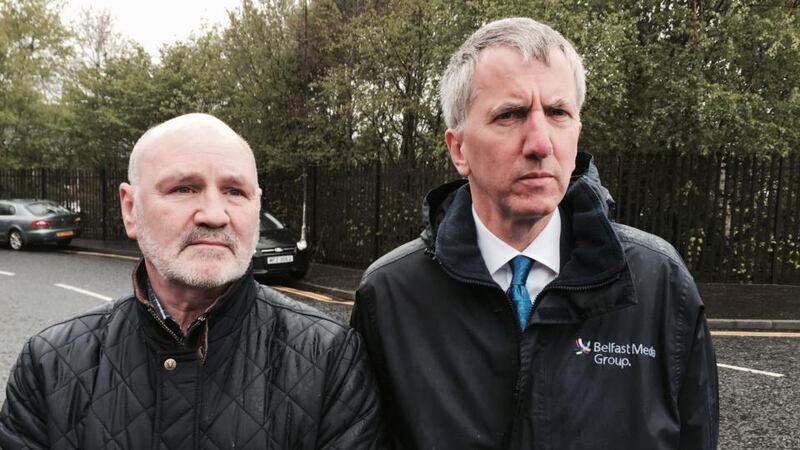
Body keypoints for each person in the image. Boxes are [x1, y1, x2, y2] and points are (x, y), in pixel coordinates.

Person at [351, 18, 718, 449]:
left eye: (559, 113)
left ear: (577, 131)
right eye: (511, 114)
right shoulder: (390, 296)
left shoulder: (659, 282)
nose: (540, 143)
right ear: (458, 149)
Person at [0, 113, 384, 449]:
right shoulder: (49, 365)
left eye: (235, 192)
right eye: (184, 188)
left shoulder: (331, 359)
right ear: (130, 209)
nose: (215, 214)